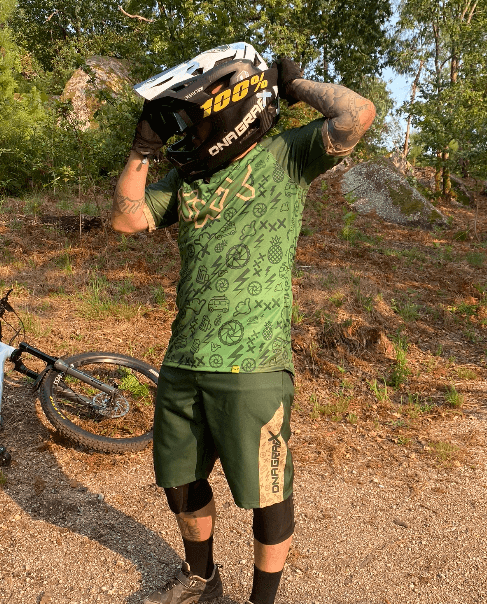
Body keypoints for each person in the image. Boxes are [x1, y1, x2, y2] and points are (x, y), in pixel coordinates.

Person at [111, 42, 375, 604]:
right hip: (184, 359)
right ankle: (201, 579)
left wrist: (294, 85)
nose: (187, 129)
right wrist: (141, 149)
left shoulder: (285, 154)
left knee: (267, 493)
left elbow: (357, 115)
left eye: (193, 116)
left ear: (226, 105)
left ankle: (262, 600)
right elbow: (127, 219)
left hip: (252, 362)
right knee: (180, 483)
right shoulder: (189, 179)